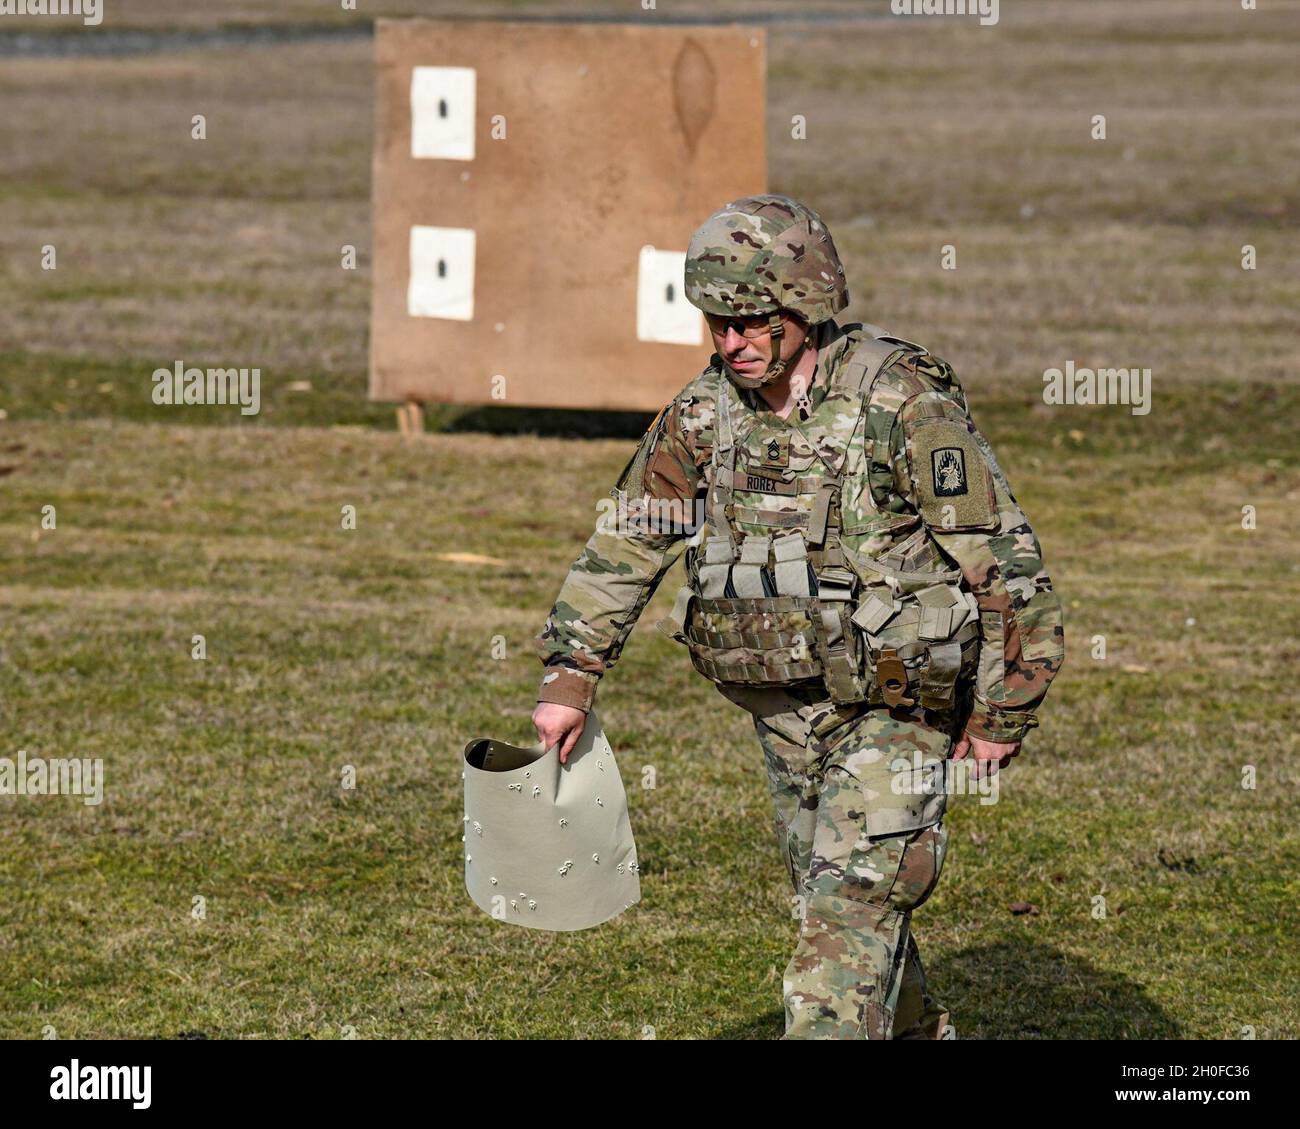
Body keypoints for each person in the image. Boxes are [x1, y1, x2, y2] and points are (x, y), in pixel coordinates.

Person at [531, 193, 1065, 1039]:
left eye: (749, 323)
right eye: (717, 323)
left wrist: (1005, 710)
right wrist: (571, 676)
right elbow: (629, 542)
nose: (730, 343)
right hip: (786, 712)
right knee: (844, 901)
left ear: (805, 308)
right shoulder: (706, 413)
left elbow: (1004, 560)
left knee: (847, 909)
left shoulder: (900, 406)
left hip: (901, 712)